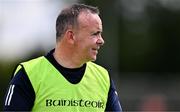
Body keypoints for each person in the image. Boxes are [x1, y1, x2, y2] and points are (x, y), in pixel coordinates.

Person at [3, 3, 122, 111]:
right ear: (71, 36)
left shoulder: (103, 77)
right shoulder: (29, 74)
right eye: (95, 33)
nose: (101, 41)